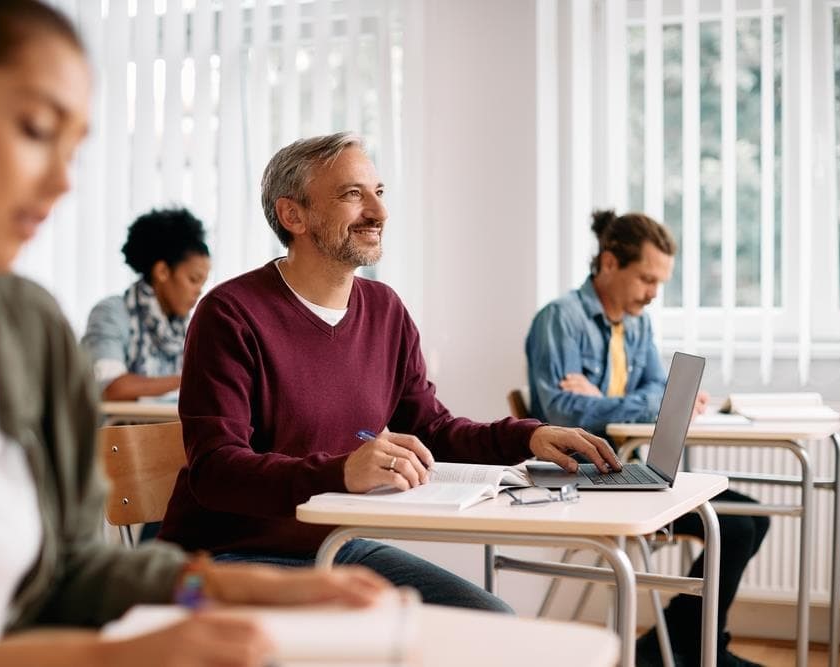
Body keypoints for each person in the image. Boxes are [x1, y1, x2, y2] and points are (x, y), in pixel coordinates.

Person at [0, 2, 388, 666]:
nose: (61, 181)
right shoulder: (209, 315)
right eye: (34, 129)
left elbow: (74, 568)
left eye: (74, 149)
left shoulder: (28, 328)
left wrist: (215, 584)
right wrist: (94, 658)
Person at [158, 132, 622, 614]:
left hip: (334, 545)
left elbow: (432, 429)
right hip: (228, 557)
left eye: (378, 193)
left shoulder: (385, 310)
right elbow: (215, 470)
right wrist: (342, 471)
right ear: (292, 215)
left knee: (489, 619)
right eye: (352, 195)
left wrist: (530, 437)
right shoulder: (230, 314)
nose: (379, 213)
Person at [526, 210, 770, 667]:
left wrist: (604, 398)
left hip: (625, 469)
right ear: (609, 263)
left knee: (752, 519)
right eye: (646, 278)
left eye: (660, 281)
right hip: (581, 479)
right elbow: (559, 412)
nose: (654, 293)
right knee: (734, 526)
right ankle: (696, 648)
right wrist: (636, 403)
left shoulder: (636, 323)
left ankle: (679, 645)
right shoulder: (560, 319)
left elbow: (657, 388)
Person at [82, 207, 211, 401]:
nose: (199, 291)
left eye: (203, 283)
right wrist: (192, 380)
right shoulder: (111, 313)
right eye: (193, 279)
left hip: (168, 429)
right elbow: (111, 386)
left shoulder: (186, 328)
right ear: (162, 272)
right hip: (118, 430)